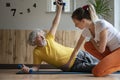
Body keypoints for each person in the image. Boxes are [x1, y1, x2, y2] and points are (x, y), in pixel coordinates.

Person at [21, 0, 99, 73]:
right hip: (71, 66)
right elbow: (36, 67)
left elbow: (55, 24)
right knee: (97, 67)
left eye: (42, 35)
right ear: (34, 41)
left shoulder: (49, 38)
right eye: (39, 36)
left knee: (101, 61)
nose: (42, 36)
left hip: (78, 54)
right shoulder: (37, 52)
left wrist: (59, 9)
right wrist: (29, 69)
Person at [70, 4, 120, 77]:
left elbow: (101, 50)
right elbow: (76, 48)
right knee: (87, 45)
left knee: (97, 72)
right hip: (112, 51)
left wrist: (93, 40)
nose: (76, 26)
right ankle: (111, 63)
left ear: (83, 21)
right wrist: (68, 64)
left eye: (76, 23)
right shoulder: (86, 30)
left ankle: (115, 64)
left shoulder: (101, 25)